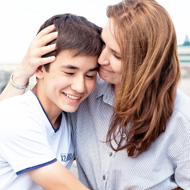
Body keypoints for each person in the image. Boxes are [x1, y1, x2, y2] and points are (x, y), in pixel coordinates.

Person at [1, 0, 190, 189]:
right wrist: (21, 74)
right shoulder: (82, 93)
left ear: (144, 64)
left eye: (116, 55)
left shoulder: (182, 117)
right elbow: (8, 120)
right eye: (104, 44)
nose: (101, 59)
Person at [0, 13, 102, 190]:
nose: (80, 86)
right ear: (39, 68)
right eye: (69, 73)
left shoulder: (69, 120)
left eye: (90, 75)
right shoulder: (16, 117)